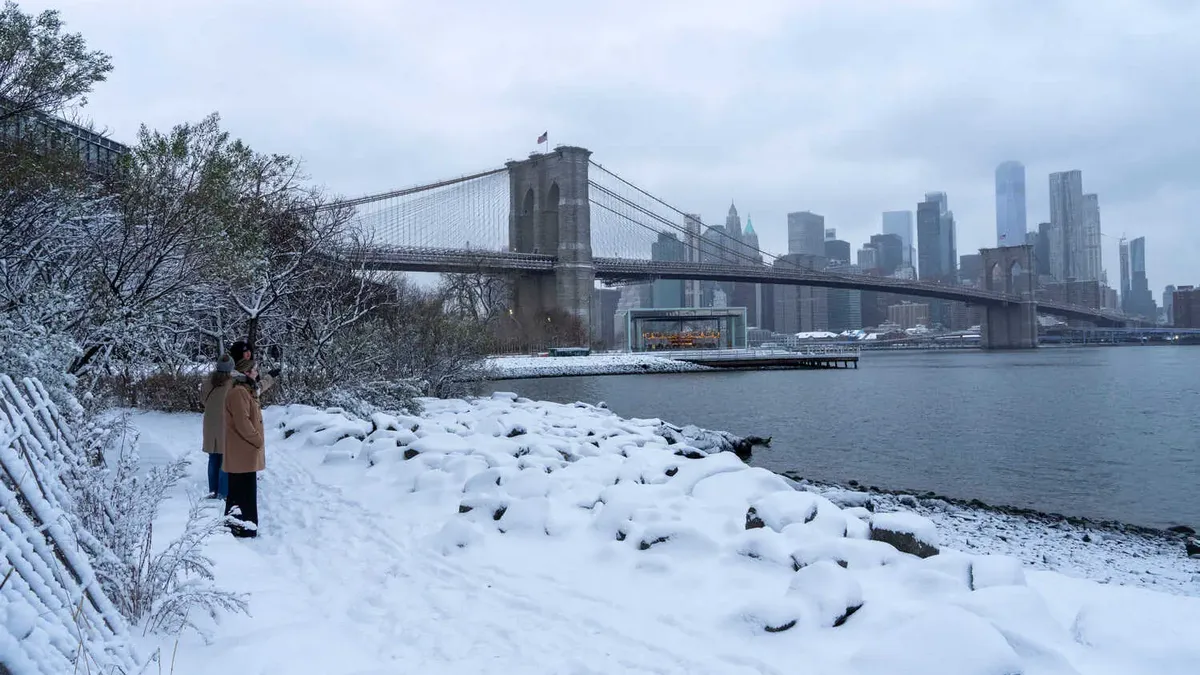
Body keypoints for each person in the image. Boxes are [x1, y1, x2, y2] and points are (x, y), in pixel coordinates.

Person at [223, 358, 266, 538]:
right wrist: (257, 440)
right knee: (243, 492)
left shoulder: (246, 390)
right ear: (247, 372)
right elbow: (243, 422)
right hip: (243, 450)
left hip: (244, 451)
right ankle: (244, 529)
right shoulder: (239, 392)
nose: (257, 372)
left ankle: (237, 527)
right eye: (255, 369)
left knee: (241, 491)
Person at [199, 354, 235, 499]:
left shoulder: (207, 382)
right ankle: (223, 492)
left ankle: (212, 490)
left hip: (210, 424)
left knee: (213, 458)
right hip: (225, 424)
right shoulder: (232, 383)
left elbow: (203, 401)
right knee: (225, 458)